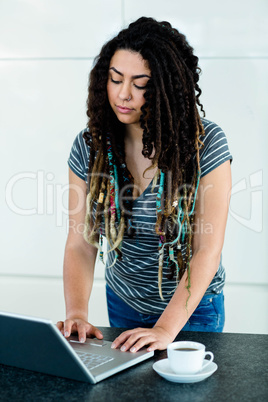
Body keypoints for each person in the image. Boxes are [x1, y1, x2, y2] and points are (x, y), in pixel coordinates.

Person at [56, 17, 232, 353]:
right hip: (123, 303)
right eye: (115, 79)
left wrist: (166, 329)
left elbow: (206, 251)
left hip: (191, 312)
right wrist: (76, 312)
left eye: (140, 84)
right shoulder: (90, 146)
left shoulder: (205, 144)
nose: (123, 94)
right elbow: (80, 242)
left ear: (167, 86)